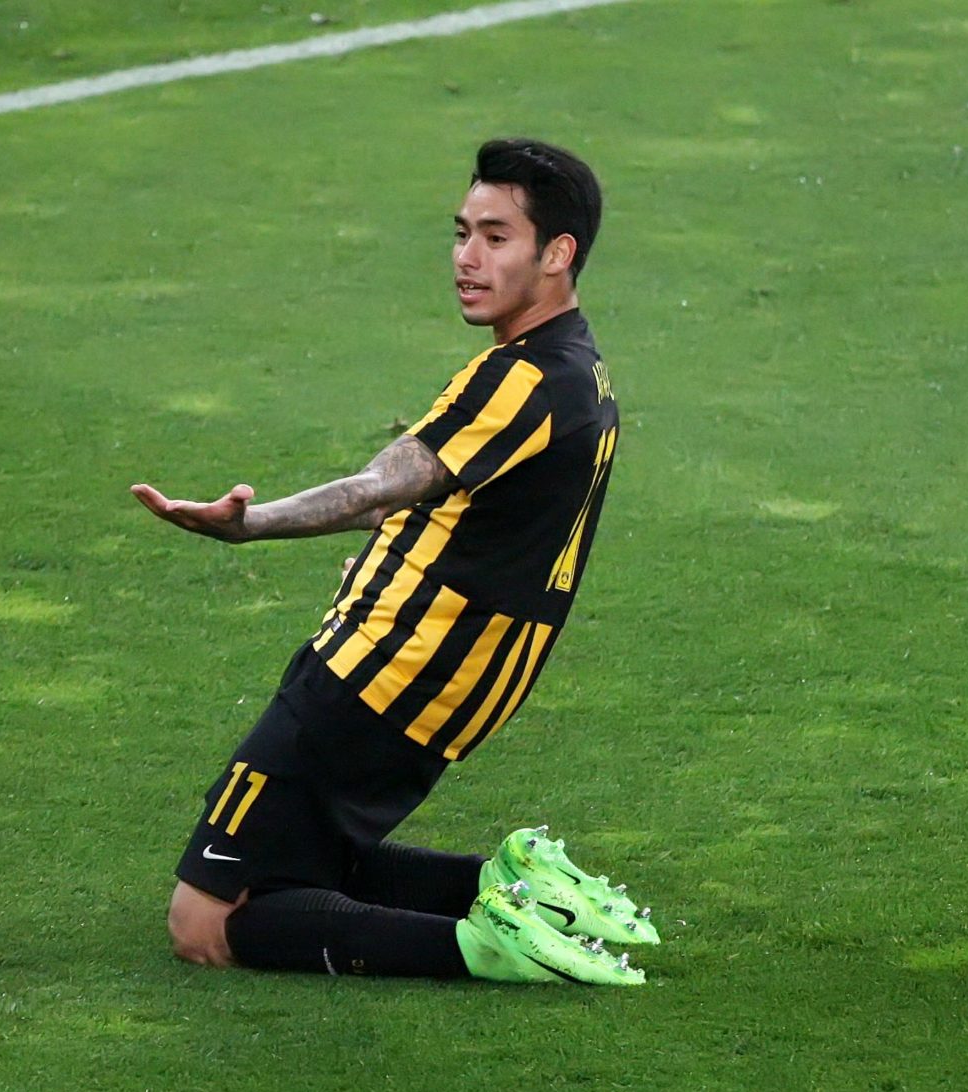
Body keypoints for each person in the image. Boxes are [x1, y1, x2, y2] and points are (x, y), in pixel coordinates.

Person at [131, 138, 657, 984]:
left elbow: (381, 491)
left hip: (382, 672)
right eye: (462, 233)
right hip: (456, 678)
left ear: (557, 254)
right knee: (306, 857)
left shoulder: (521, 381)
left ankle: (485, 947)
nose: (466, 258)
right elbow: (481, 524)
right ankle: (513, 889)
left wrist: (250, 526)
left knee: (205, 923)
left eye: (496, 237)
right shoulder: (580, 369)